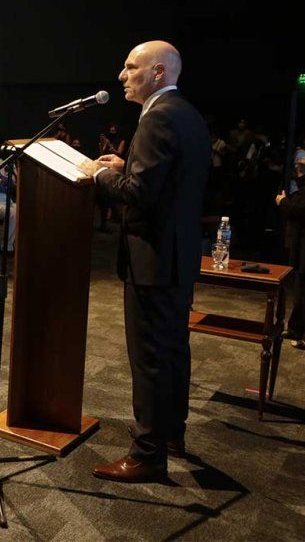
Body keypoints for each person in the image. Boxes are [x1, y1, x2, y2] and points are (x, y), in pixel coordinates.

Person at [78, 40, 209, 483]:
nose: (121, 75)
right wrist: (127, 163)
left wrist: (101, 174)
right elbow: (167, 181)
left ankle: (147, 454)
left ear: (157, 73)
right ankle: (171, 433)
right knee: (173, 350)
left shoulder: (157, 118)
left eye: (131, 66)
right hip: (177, 255)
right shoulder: (185, 113)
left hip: (153, 258)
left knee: (149, 357)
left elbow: (139, 195)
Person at [276, 140, 305, 351]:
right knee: (301, 287)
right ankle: (297, 328)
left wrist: (283, 202)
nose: (303, 160)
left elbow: (303, 206)